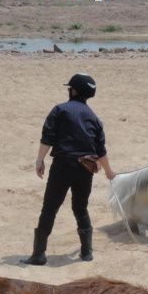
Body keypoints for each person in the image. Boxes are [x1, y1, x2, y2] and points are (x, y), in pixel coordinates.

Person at [23, 73, 116, 266]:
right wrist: (108, 171)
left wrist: (39, 160)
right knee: (80, 208)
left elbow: (47, 138)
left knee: (50, 208)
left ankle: (39, 254)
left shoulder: (60, 110)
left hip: (63, 166)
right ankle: (87, 252)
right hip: (86, 169)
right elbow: (101, 150)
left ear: (73, 91)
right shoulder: (95, 118)